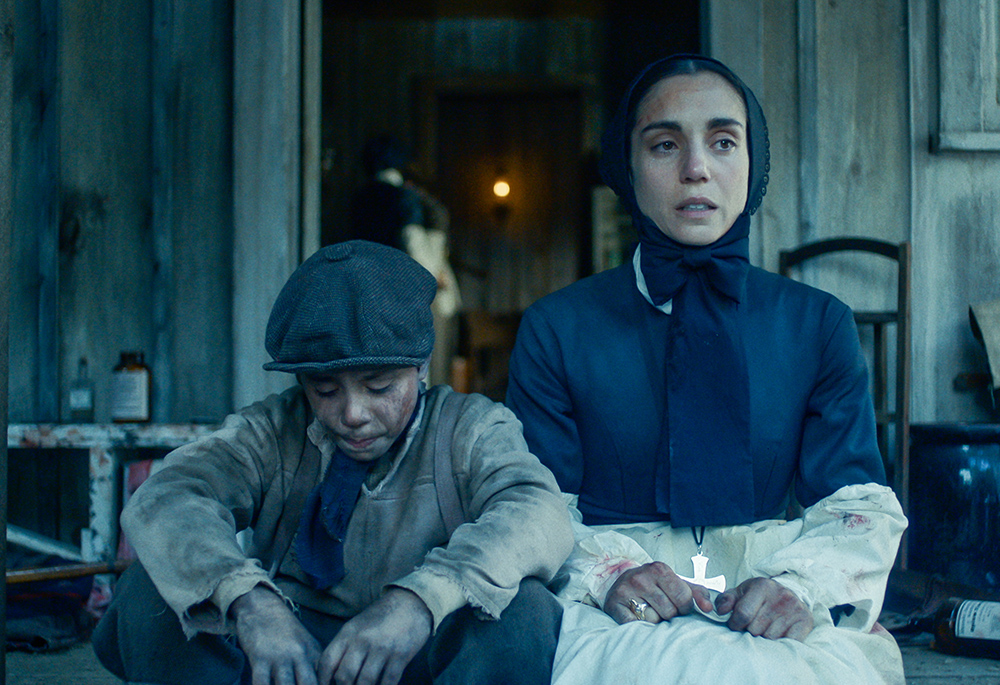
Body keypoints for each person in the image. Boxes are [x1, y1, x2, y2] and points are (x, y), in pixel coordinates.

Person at [505, 54, 908, 684]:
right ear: (627, 167)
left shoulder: (818, 324)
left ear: (754, 162)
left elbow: (854, 507)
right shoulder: (558, 328)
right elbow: (530, 506)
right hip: (612, 615)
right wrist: (608, 574)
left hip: (772, 605)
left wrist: (797, 586)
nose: (696, 169)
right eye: (665, 145)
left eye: (723, 141)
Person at [93, 240, 573, 685]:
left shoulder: (471, 428)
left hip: (420, 651)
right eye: (324, 389)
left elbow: (537, 511)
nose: (352, 414)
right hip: (287, 655)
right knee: (152, 590)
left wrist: (421, 599)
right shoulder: (272, 430)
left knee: (524, 610)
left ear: (421, 365)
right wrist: (249, 601)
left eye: (379, 387)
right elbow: (167, 497)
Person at [350, 135, 462, 388]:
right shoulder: (405, 197)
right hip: (401, 291)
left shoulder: (359, 198)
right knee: (411, 363)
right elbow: (413, 243)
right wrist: (433, 274)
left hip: (364, 288)